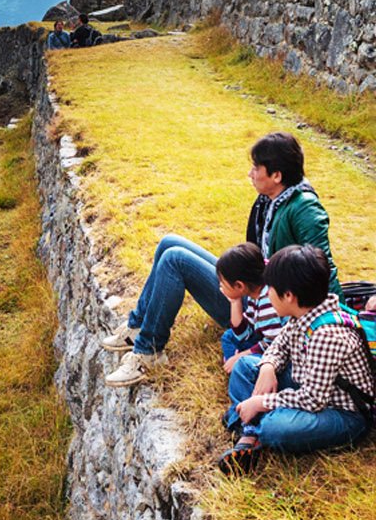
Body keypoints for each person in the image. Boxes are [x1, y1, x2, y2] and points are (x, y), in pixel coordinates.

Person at [103, 132, 340, 387]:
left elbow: (322, 267)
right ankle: (138, 325)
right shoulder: (273, 199)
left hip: (261, 308)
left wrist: (333, 324)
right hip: (254, 286)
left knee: (174, 260)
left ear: (276, 176)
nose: (250, 174)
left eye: (255, 167)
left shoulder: (304, 209)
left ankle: (149, 352)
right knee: (169, 242)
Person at [216, 245, 373, 473]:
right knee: (244, 366)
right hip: (308, 384)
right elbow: (279, 344)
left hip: (343, 413)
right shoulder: (304, 311)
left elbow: (313, 400)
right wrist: (268, 366)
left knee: (276, 428)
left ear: (288, 295)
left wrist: (260, 403)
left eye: (271, 290)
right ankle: (250, 432)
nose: (267, 295)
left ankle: (250, 424)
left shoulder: (327, 336)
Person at [215, 242, 281, 372]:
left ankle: (240, 368)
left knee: (244, 362)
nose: (220, 286)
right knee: (228, 336)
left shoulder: (268, 303)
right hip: (262, 337)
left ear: (239, 286)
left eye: (223, 283)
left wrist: (241, 355)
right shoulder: (255, 292)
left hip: (275, 352)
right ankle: (237, 364)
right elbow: (243, 334)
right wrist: (235, 302)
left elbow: (274, 345)